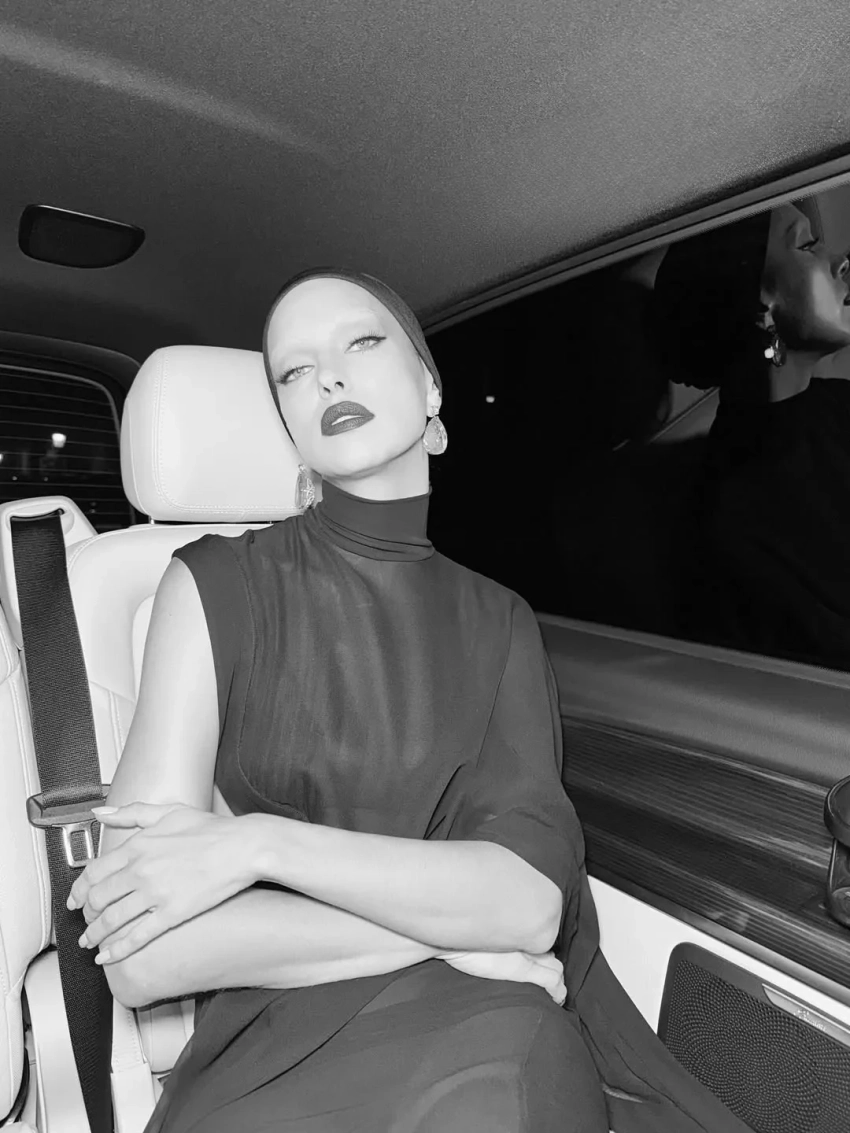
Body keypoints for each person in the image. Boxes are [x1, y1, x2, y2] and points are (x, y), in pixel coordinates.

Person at [68, 270, 755, 1133]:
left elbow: (529, 907)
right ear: (289, 425)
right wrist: (443, 932)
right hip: (280, 1047)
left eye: (360, 342)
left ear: (431, 392)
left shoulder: (501, 620)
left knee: (516, 1076)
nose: (328, 377)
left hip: (491, 1023)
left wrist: (256, 845)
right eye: (294, 371)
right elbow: (139, 952)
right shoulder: (211, 585)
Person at [652, 203, 850, 668]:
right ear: (762, 312)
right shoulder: (737, 520)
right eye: (807, 246)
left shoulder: (835, 403)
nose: (840, 260)